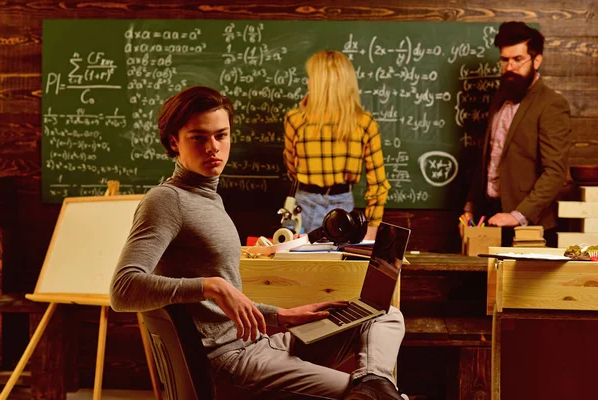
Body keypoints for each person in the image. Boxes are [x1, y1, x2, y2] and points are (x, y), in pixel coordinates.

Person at [110, 86, 408, 400]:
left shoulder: (209, 197)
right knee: (366, 396)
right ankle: (375, 392)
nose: (213, 147)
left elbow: (218, 308)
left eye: (221, 135)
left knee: (383, 314)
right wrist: (210, 285)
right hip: (233, 360)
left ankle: (375, 381)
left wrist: (280, 315)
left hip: (259, 341)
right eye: (198, 137)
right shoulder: (166, 200)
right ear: (174, 142)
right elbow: (123, 289)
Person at [462, 21, 571, 247]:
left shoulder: (552, 104)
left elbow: (555, 172)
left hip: (529, 227)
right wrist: (470, 207)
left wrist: (518, 215)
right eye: (505, 59)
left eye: (518, 59)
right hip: (490, 219)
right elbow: (489, 158)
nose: (510, 67)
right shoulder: (499, 98)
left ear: (537, 60)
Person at [283, 50, 391, 240]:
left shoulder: (295, 120)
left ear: (320, 84)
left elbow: (292, 169)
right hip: (344, 207)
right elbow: (378, 184)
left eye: (310, 78)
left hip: (304, 205)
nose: (307, 83)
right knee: (341, 267)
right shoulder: (365, 123)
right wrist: (373, 225)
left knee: (300, 268)